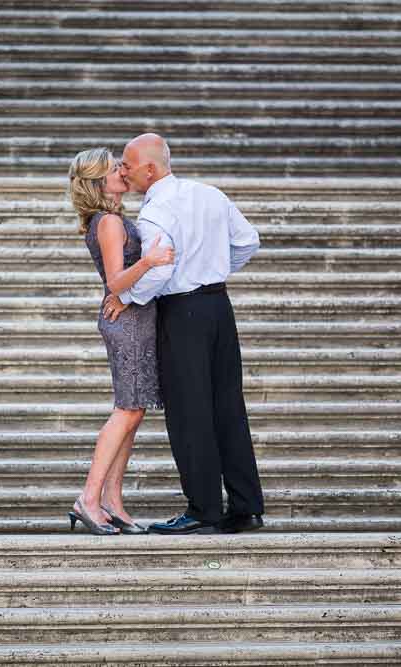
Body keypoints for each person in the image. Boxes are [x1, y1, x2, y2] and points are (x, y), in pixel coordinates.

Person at [109, 133, 265, 535]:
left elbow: (158, 270)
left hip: (183, 312)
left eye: (127, 164)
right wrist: (212, 267)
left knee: (188, 412)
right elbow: (248, 242)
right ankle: (245, 506)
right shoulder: (210, 194)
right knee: (228, 406)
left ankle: (204, 508)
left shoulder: (155, 212)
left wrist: (129, 296)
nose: (123, 171)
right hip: (219, 306)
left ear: (149, 169)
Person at [67, 147, 176, 535]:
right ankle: (89, 499)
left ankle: (112, 501)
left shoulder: (112, 218)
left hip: (137, 318)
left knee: (135, 409)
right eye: (115, 168)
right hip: (126, 321)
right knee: (128, 409)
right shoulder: (109, 222)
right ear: (100, 182)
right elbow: (115, 281)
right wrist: (149, 262)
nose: (123, 171)